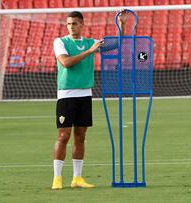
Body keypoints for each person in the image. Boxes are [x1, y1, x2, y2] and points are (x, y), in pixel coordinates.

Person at [51, 10, 127, 189]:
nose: (71, 27)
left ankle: (77, 178)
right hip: (66, 95)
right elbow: (66, 63)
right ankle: (57, 177)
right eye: (69, 24)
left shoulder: (90, 42)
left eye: (75, 24)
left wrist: (122, 25)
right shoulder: (60, 42)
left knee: (81, 136)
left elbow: (115, 45)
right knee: (63, 136)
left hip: (85, 94)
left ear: (82, 25)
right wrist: (90, 51)